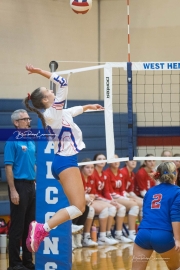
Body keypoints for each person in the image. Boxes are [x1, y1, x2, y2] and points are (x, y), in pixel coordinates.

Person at [24, 64, 104, 253]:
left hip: (65, 160)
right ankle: (42, 228)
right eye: (48, 91)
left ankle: (43, 228)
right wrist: (39, 71)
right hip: (65, 161)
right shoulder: (52, 112)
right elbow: (62, 82)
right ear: (45, 99)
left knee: (78, 207)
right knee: (78, 207)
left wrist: (88, 107)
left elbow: (74, 110)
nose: (52, 92)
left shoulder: (59, 113)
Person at [132, 162, 180, 270]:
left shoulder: (150, 191)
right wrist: (178, 239)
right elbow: (176, 216)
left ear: (158, 174)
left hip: (143, 234)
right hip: (163, 236)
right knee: (176, 268)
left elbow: (146, 212)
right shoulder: (178, 192)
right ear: (175, 174)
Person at [4, 109, 36, 270]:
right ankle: (15, 263)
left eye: (29, 118)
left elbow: (33, 164)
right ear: (16, 123)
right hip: (19, 186)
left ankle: (27, 261)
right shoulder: (12, 141)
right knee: (17, 226)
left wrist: (35, 180)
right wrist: (13, 190)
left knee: (30, 226)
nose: (28, 121)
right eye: (24, 119)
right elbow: (8, 167)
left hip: (31, 186)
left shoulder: (31, 141)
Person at [92, 153, 133, 244]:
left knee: (120, 207)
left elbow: (106, 191)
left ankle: (118, 235)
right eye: (99, 159)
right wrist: (109, 201)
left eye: (104, 159)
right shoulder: (94, 173)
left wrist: (111, 200)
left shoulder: (104, 174)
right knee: (111, 208)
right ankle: (104, 236)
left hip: (101, 199)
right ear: (95, 161)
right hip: (94, 199)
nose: (102, 160)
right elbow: (94, 193)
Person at [80, 159, 120, 247]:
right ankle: (86, 237)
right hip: (79, 201)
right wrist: (87, 197)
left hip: (90, 200)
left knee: (108, 208)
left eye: (91, 168)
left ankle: (103, 236)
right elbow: (78, 194)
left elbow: (93, 193)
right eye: (87, 167)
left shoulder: (91, 177)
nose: (90, 170)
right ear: (82, 168)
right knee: (90, 210)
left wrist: (90, 197)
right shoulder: (79, 177)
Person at [104, 155, 139, 242]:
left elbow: (122, 190)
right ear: (109, 162)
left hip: (118, 197)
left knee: (135, 204)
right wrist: (127, 199)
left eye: (117, 159)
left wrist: (128, 198)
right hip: (111, 198)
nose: (116, 161)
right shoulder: (107, 173)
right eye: (113, 159)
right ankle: (127, 233)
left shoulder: (120, 173)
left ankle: (131, 233)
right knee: (134, 205)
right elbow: (110, 193)